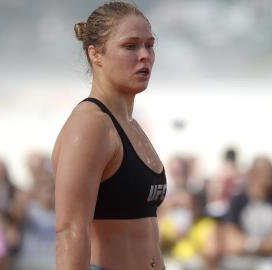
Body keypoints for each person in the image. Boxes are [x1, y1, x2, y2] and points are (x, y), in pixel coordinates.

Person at [52, 2, 167, 270]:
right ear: (96, 54)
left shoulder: (130, 125)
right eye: (131, 46)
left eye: (150, 45)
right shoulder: (91, 125)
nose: (144, 56)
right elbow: (69, 232)